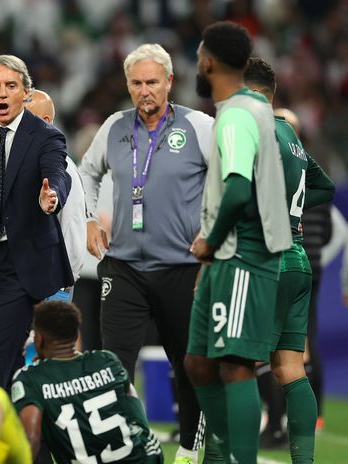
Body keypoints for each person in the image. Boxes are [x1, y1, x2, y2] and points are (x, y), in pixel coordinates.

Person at [78, 43, 212, 463]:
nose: (144, 91)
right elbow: (86, 173)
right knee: (114, 365)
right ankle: (121, 450)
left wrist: (212, 234)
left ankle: (189, 448)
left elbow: (229, 181)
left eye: (152, 82)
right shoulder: (114, 126)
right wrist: (88, 218)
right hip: (124, 267)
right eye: (136, 83)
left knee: (189, 365)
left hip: (182, 268)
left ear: (170, 82)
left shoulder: (200, 126)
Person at [185, 21, 292, 464]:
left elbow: (238, 190)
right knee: (198, 361)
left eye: (197, 58)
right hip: (231, 255)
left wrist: (209, 241)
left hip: (241, 252)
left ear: (208, 62)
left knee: (235, 365)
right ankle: (223, 450)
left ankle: (236, 458)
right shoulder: (255, 107)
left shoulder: (234, 115)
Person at [0, 54, 72, 392]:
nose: (3, 94)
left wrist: (51, 198)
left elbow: (57, 174)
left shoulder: (45, 136)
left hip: (24, 265)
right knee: (8, 366)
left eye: (11, 86)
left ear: (26, 92)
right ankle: (24, 443)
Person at [243, 56, 334, 463]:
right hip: (296, 260)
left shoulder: (255, 128)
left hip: (264, 258)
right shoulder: (290, 135)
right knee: (290, 369)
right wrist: (291, 211)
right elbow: (325, 186)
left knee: (236, 366)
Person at [12, 300, 163, 463]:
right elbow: (134, 408)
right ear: (76, 335)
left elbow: (31, 438)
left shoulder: (30, 378)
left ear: (39, 339)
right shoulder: (106, 360)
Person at [24, 89, 88, 282]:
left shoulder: (63, 166)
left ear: (45, 120)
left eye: (23, 116)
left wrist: (65, 280)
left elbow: (73, 225)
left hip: (51, 279)